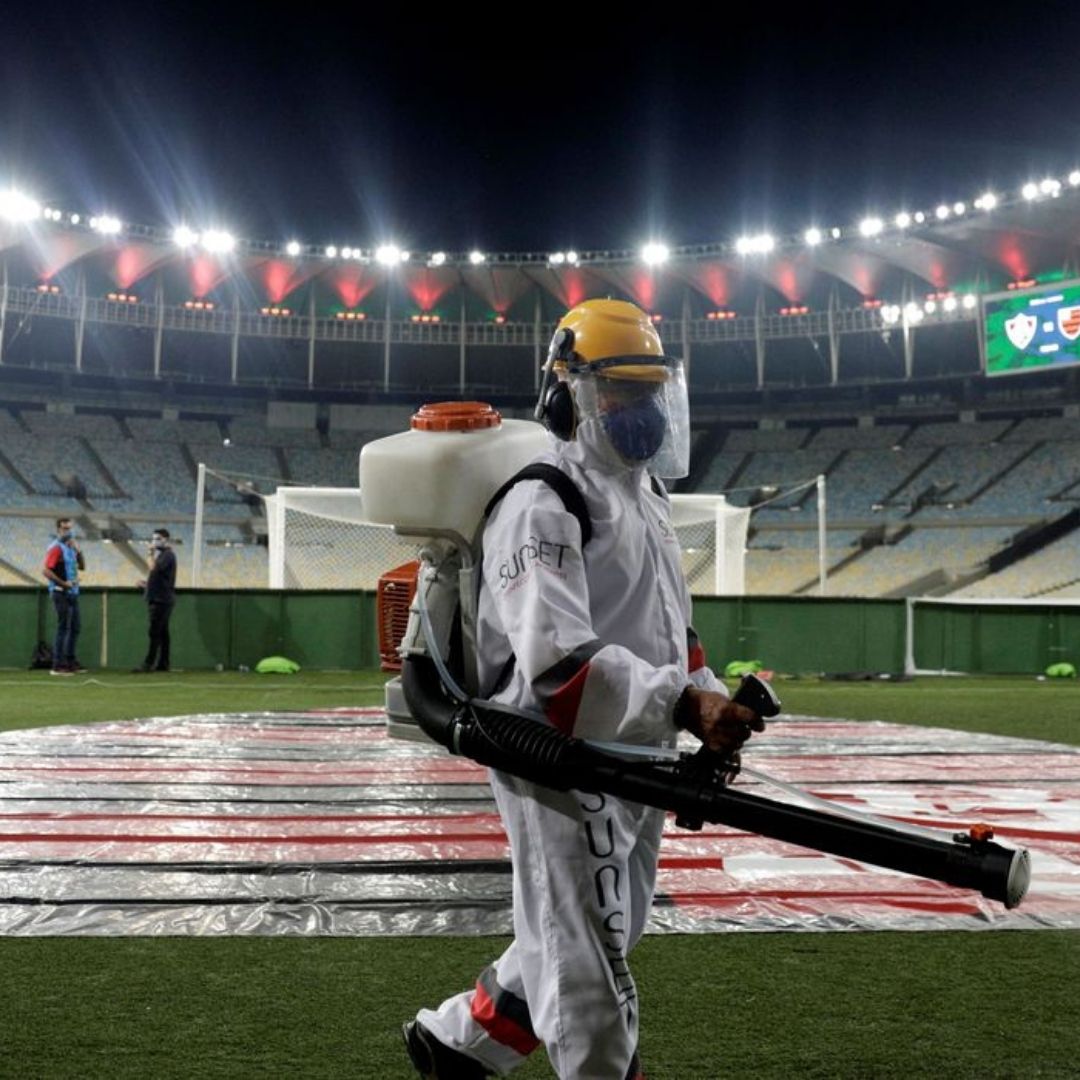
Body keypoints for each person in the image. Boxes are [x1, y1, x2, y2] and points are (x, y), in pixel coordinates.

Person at [404, 299, 763, 1080]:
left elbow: (673, 636)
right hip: (561, 757)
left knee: (606, 928)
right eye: (620, 393)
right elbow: (558, 669)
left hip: (636, 747)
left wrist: (707, 700)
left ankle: (457, 1043)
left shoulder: (648, 499)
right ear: (567, 395)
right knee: (590, 965)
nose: (641, 413)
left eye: (650, 393)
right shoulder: (542, 502)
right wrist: (682, 702)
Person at [42, 516, 85, 676]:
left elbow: (82, 566)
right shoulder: (56, 548)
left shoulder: (71, 547)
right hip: (60, 593)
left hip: (72, 592)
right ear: (58, 530)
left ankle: (70, 661)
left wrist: (78, 550)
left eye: (70, 528)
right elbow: (46, 571)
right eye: (65, 528)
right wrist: (63, 583)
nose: (69, 531)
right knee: (63, 627)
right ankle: (57, 665)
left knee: (75, 627)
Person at [135, 528, 177, 672]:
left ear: (165, 539)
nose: (154, 541)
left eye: (158, 538)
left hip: (161, 600)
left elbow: (153, 568)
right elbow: (160, 577)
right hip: (161, 597)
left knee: (155, 632)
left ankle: (148, 663)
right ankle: (163, 663)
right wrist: (146, 584)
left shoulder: (167, 555)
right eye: (153, 539)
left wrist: (149, 552)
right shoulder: (164, 556)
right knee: (163, 633)